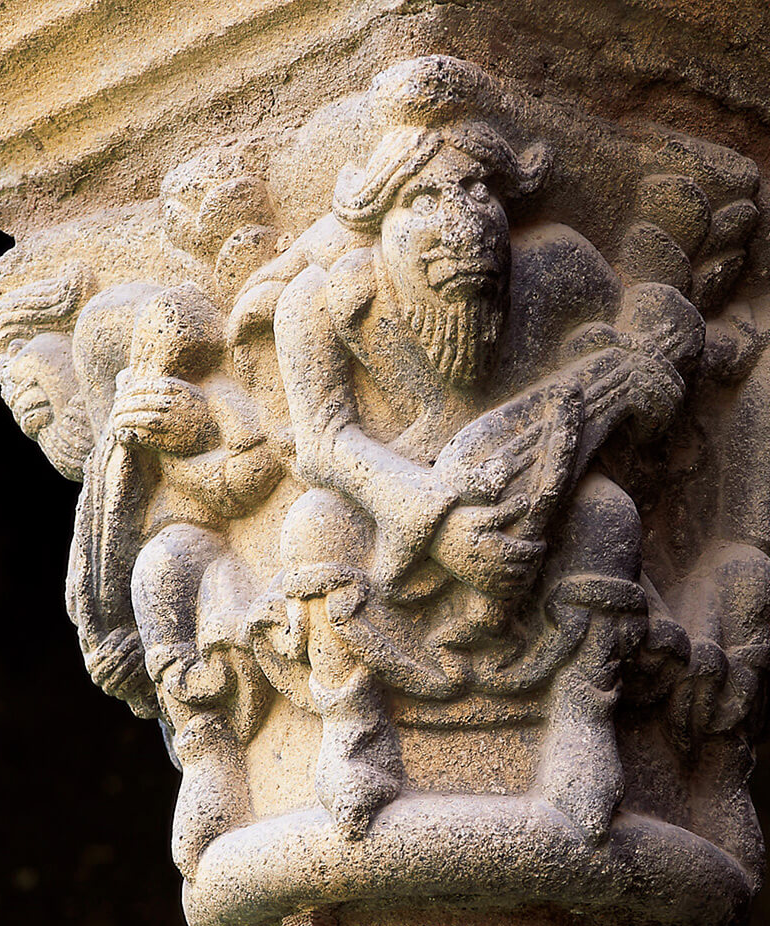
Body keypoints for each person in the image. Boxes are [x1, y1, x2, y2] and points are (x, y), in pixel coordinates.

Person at [244, 56, 703, 841]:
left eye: (480, 191)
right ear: (377, 215)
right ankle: (355, 724)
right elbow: (324, 443)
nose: (465, 225)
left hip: (534, 526)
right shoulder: (321, 300)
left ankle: (582, 718)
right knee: (312, 525)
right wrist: (437, 518)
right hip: (396, 513)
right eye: (425, 197)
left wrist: (642, 376)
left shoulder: (558, 269)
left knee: (608, 514)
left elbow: (645, 401)